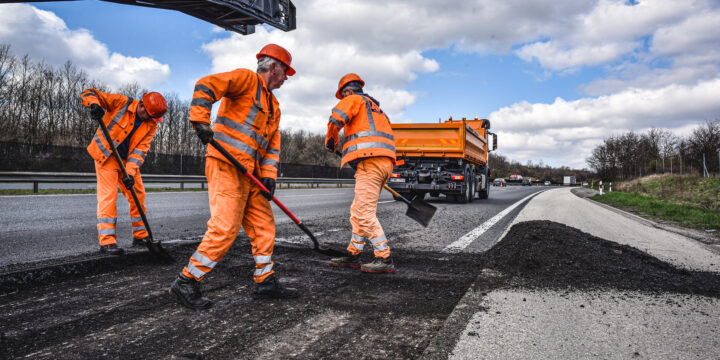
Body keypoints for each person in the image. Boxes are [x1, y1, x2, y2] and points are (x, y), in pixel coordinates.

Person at [170, 44, 297, 310]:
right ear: (272, 66)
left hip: (252, 175)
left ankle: (265, 281)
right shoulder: (245, 79)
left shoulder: (274, 106)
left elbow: (272, 145)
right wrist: (201, 121)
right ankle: (187, 280)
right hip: (226, 164)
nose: (286, 77)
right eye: (285, 71)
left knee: (264, 227)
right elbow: (206, 84)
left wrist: (270, 177)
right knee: (225, 228)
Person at [324, 73, 397, 273]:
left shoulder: (354, 100)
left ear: (347, 91)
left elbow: (336, 118)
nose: (343, 99)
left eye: (343, 96)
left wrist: (331, 140)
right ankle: (354, 253)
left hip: (371, 162)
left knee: (364, 213)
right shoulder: (377, 110)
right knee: (357, 211)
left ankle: (384, 258)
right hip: (383, 163)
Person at [81, 89, 167, 255]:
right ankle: (107, 242)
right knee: (109, 196)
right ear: (142, 106)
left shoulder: (151, 125)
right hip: (106, 156)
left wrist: (129, 173)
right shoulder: (121, 103)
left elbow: (141, 150)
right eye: (149, 116)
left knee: (138, 194)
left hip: (126, 161)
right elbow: (89, 92)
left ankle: (141, 236)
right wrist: (94, 105)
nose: (150, 120)